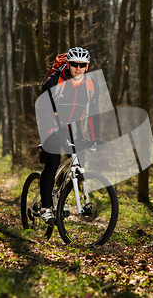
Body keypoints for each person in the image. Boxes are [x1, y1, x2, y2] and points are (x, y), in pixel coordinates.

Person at [39, 47, 101, 226]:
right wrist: (52, 131)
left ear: (87, 66)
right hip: (49, 122)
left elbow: (93, 114)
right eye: (74, 64)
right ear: (68, 64)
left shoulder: (91, 85)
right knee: (53, 160)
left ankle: (61, 195)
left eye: (82, 65)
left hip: (71, 125)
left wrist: (95, 137)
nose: (78, 68)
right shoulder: (53, 81)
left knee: (78, 161)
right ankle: (45, 207)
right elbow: (43, 110)